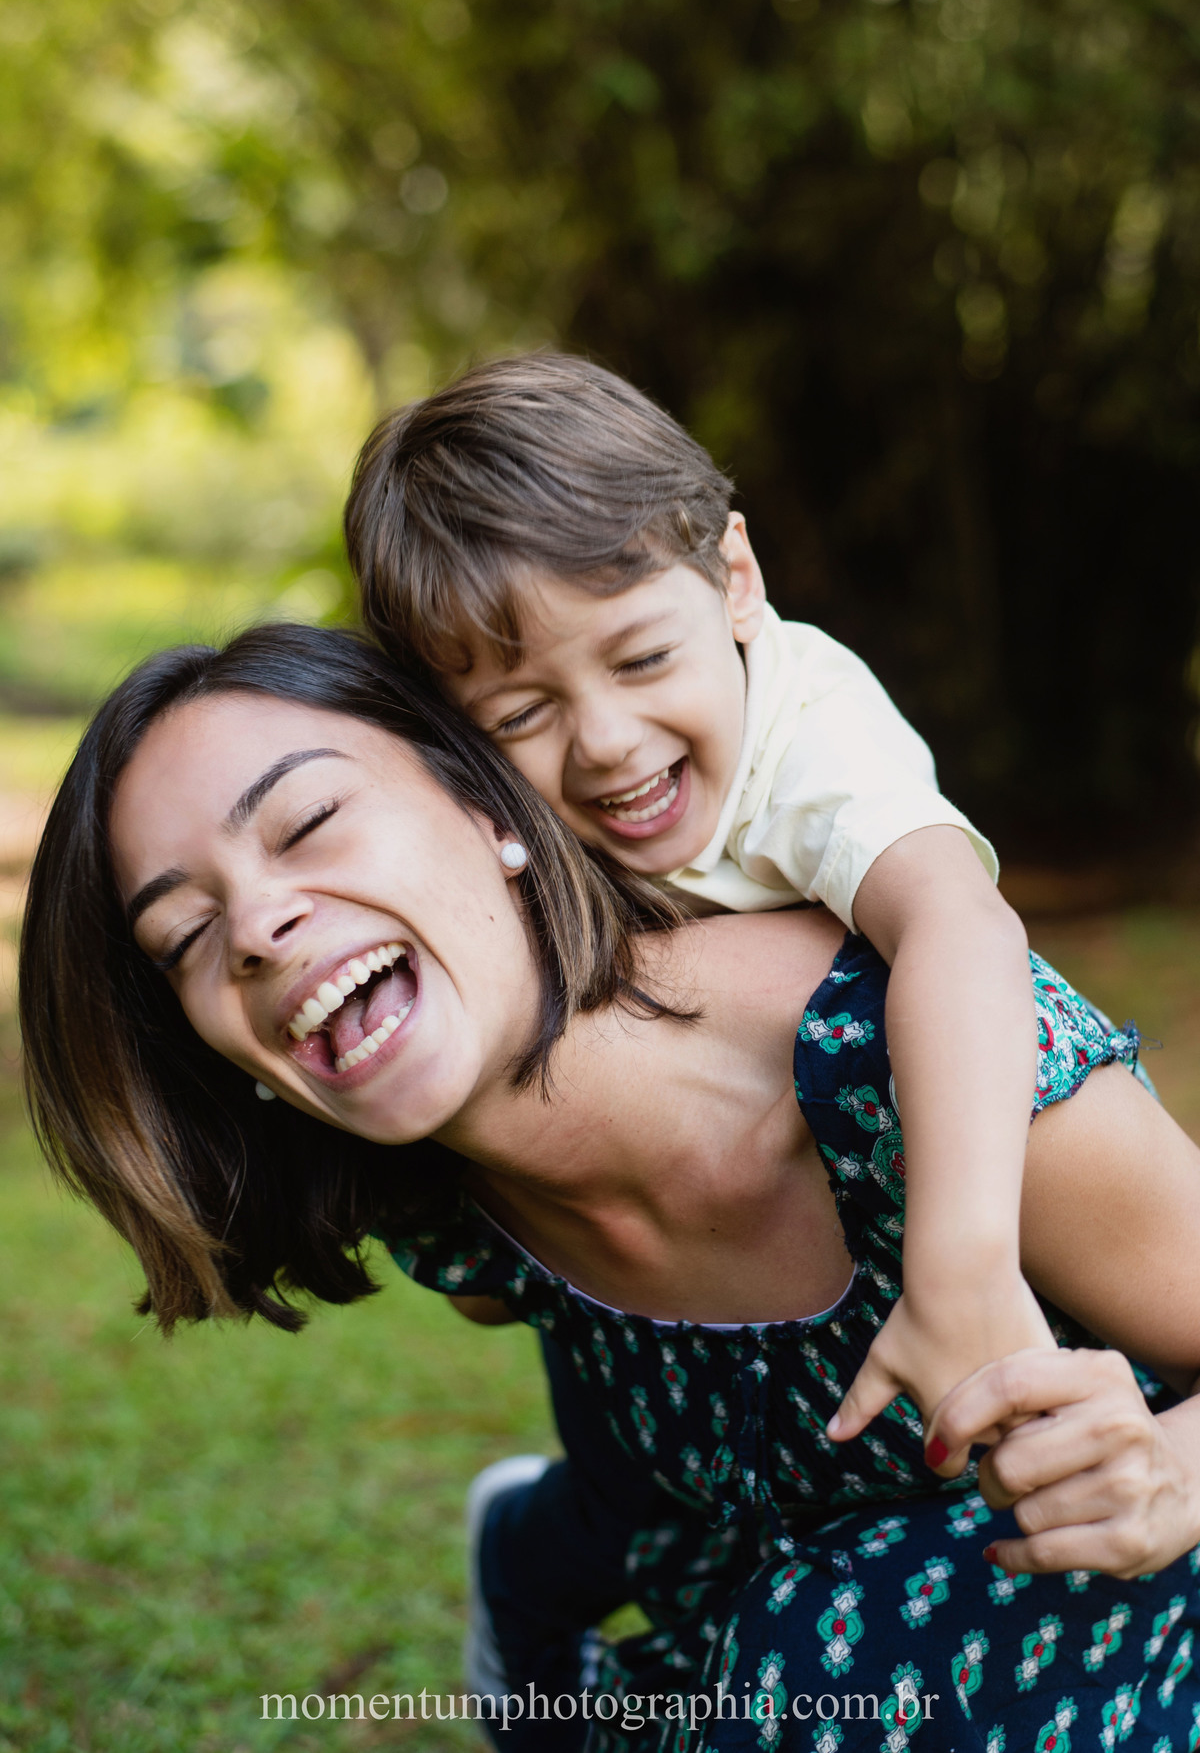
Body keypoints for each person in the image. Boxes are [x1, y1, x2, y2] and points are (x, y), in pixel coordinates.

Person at [20, 623, 1200, 1752]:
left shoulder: (910, 1067)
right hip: (754, 1582)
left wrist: (1169, 1477)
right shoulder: (453, 1219)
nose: (255, 929)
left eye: (310, 822)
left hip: (1128, 1575)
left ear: (489, 806)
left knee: (831, 1653)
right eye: (187, 934)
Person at [342, 353, 1045, 1460]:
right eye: (521, 714)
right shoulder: (495, 817)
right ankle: (561, 1531)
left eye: (643, 657)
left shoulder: (814, 749)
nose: (607, 741)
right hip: (648, 1267)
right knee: (624, 1448)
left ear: (736, 578)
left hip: (901, 1195)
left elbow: (959, 928)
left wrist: (963, 1267)